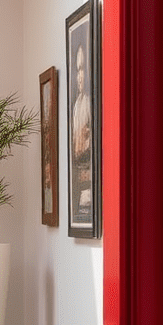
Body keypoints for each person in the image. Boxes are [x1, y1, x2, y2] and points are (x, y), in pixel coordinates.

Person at [72, 41, 92, 215]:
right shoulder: (78, 105)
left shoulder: (91, 104)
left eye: (83, 69)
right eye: (77, 70)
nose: (79, 76)